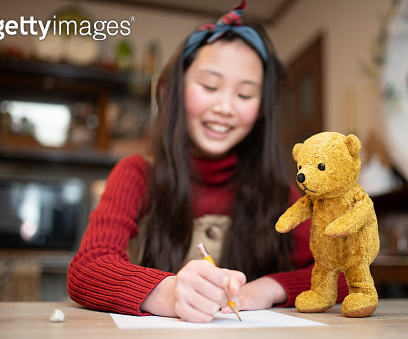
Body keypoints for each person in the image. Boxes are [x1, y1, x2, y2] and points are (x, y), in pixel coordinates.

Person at [67, 0, 347, 323]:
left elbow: (340, 274)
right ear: (177, 89)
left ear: (261, 111)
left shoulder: (279, 193)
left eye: (244, 95)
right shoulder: (137, 174)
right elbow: (88, 267)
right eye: (210, 86)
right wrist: (168, 293)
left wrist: (267, 289)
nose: (225, 107)